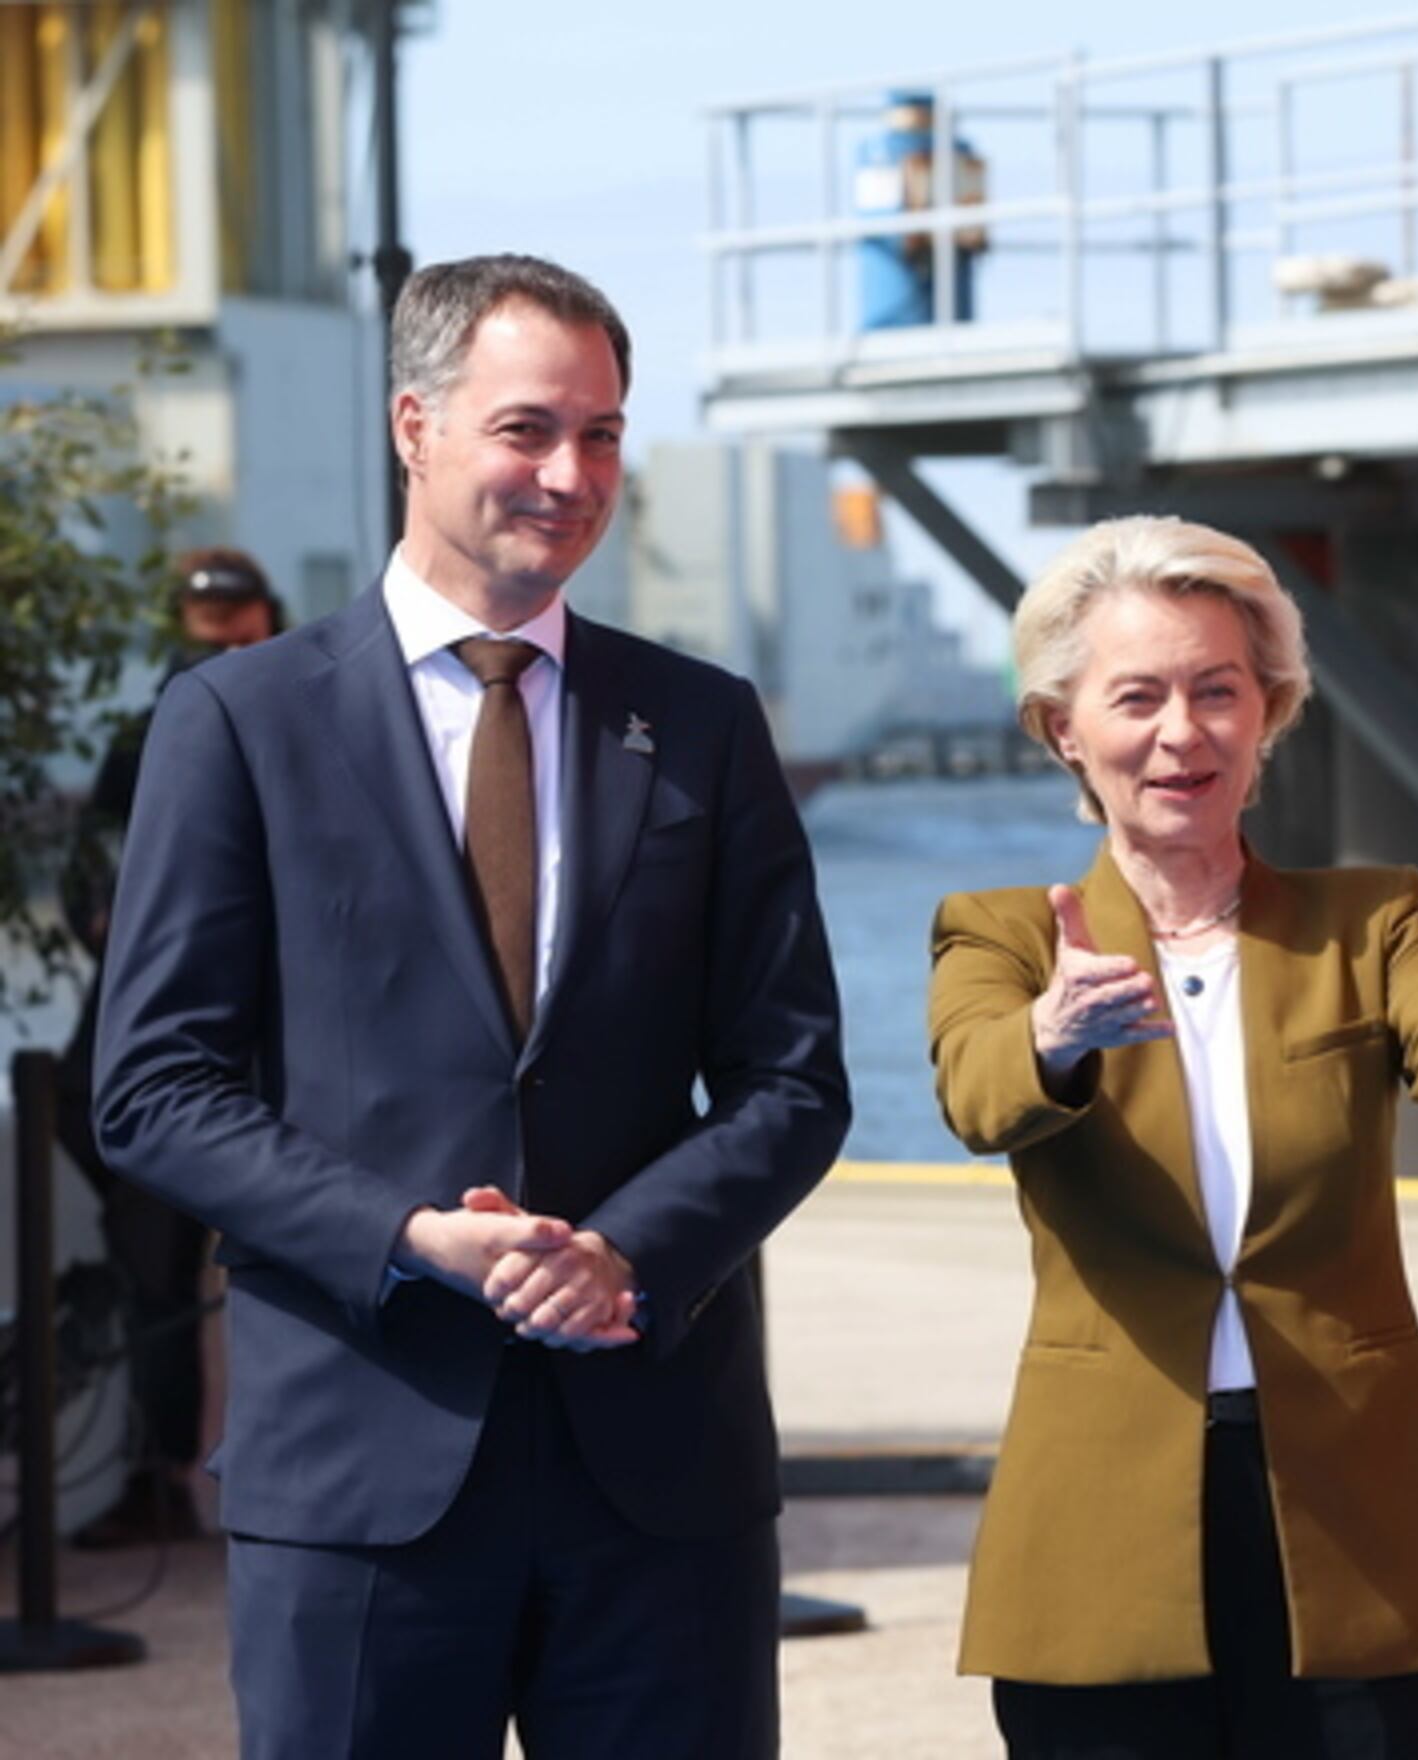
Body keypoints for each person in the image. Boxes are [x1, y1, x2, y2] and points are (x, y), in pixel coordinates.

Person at [91, 254, 849, 1759]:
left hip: (658, 1478)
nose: (570, 475)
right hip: (360, 1469)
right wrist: (409, 1239)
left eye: (604, 434)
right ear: (414, 424)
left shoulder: (701, 723)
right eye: (526, 430)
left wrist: (629, 1246)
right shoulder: (236, 722)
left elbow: (794, 1079)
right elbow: (156, 1088)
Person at [927, 516, 1418, 1759]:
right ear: (1064, 727)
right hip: (1103, 1519)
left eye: (1218, 691)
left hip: (1359, 1515)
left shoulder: (1370, 919)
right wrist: (1058, 1029)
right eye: (1138, 695)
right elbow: (978, 1091)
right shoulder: (1004, 933)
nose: (1182, 732)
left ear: (1268, 714)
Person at [56, 547, 288, 1549]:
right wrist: (106, 917)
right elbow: (87, 859)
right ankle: (155, 1474)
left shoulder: (304, 710)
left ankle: (251, 1482)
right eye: (205, 616)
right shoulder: (156, 722)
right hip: (164, 1038)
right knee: (149, 1264)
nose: (220, 631)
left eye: (235, 616)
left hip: (264, 1044)